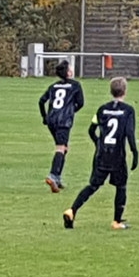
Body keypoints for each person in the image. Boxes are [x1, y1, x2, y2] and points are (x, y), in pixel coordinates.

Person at [62, 77, 138, 230]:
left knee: (93, 185)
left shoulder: (102, 109)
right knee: (121, 186)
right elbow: (129, 133)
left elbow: (91, 130)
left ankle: (72, 210)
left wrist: (98, 143)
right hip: (117, 156)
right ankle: (116, 221)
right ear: (124, 91)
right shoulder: (128, 110)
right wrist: (134, 152)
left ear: (111, 91)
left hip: (102, 154)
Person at [37, 60, 85, 193]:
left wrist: (44, 117)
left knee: (64, 148)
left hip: (52, 120)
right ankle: (52, 175)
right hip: (63, 121)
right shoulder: (75, 85)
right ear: (68, 72)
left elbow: (41, 101)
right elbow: (81, 103)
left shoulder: (54, 86)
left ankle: (57, 178)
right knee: (60, 148)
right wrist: (71, 111)